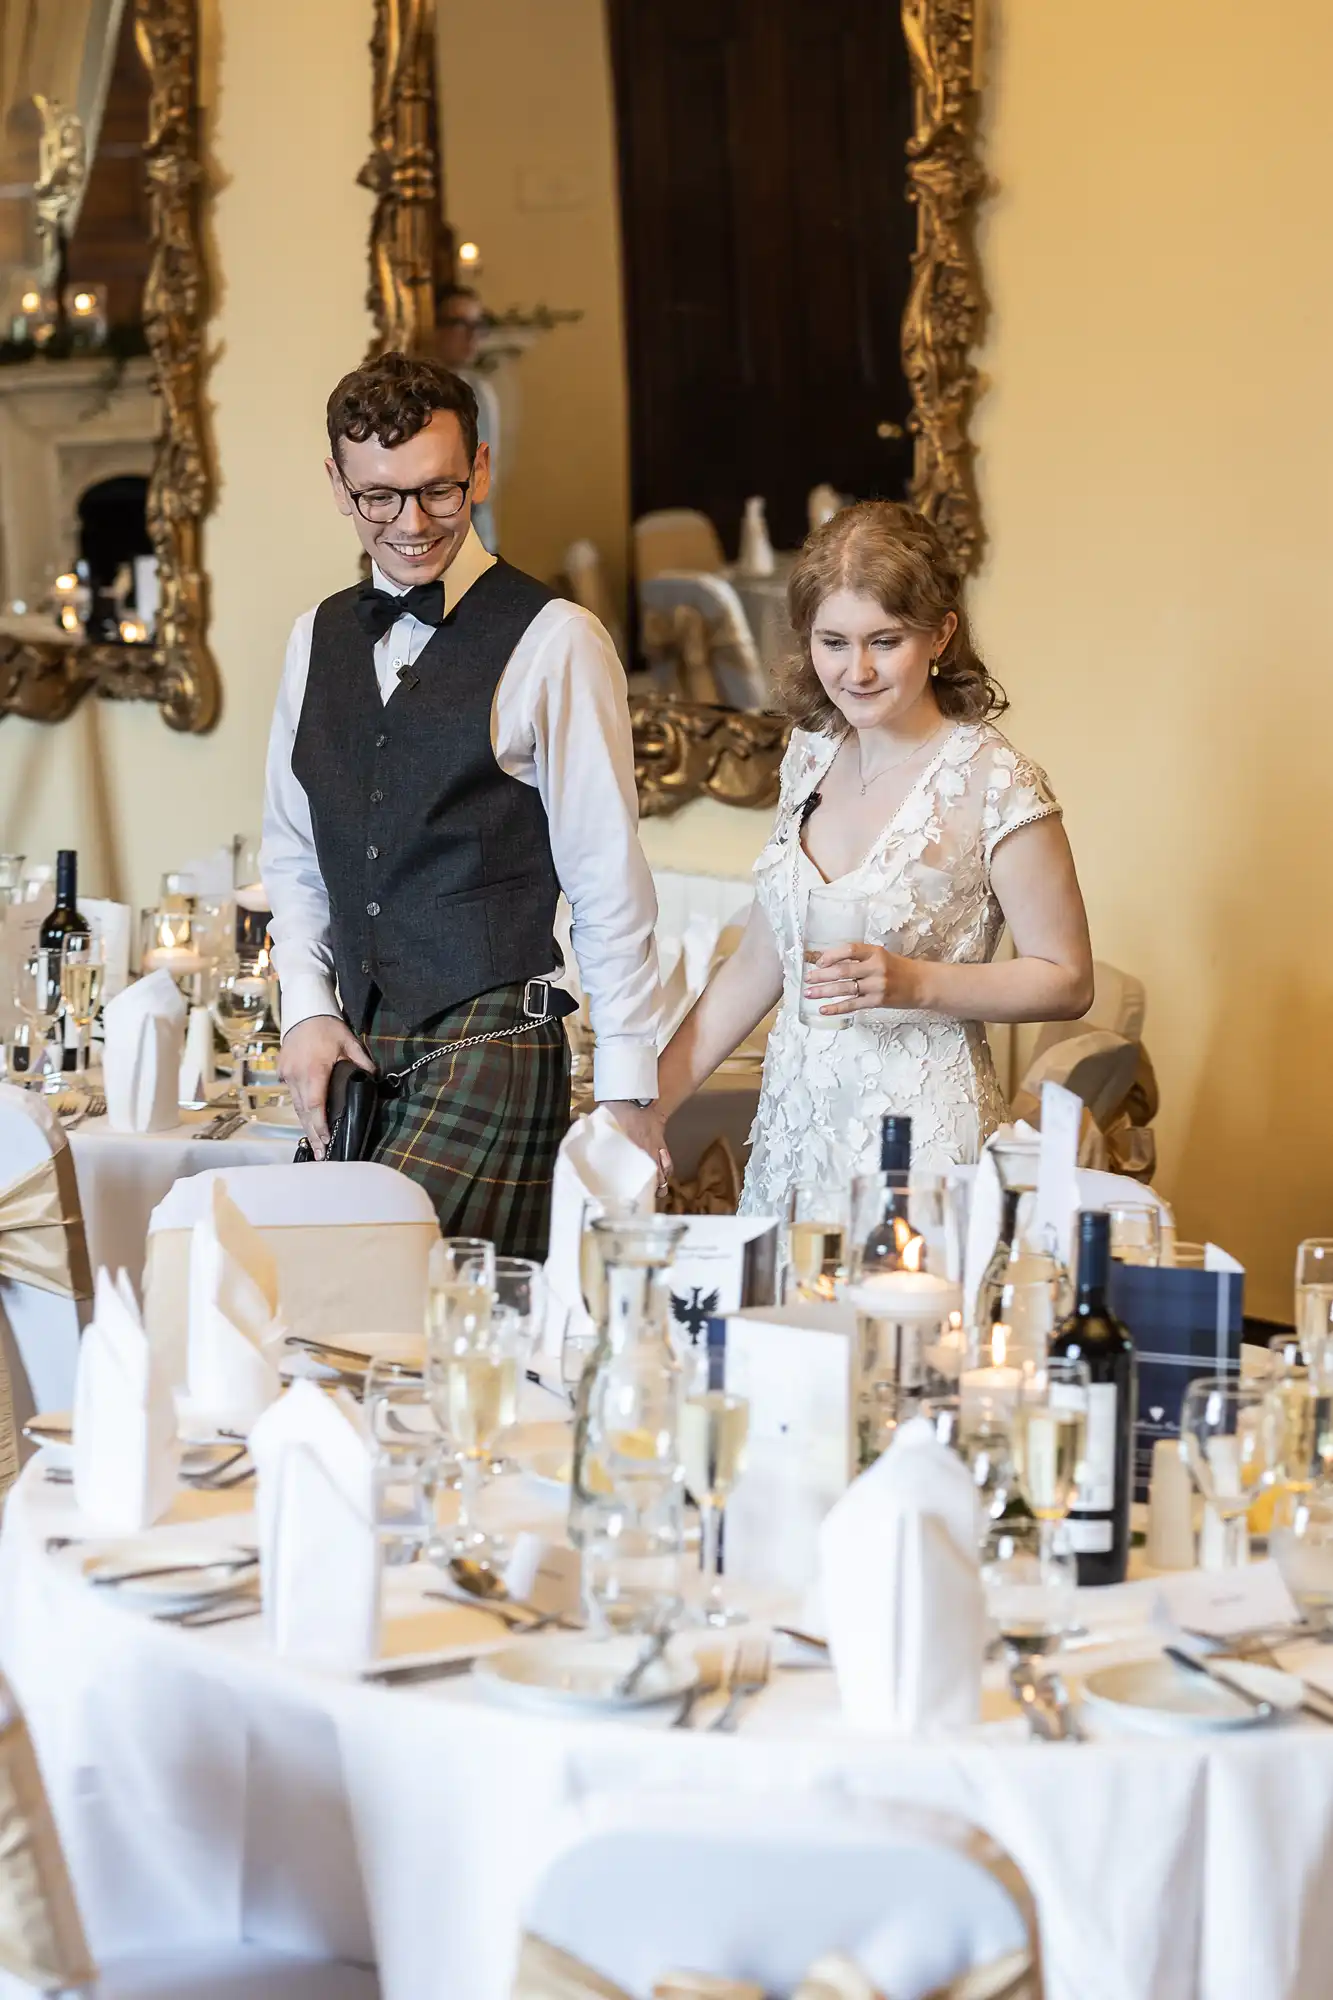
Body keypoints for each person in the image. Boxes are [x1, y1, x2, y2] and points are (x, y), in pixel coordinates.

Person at [261, 350, 661, 1257]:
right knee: (314, 1303)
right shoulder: (311, 638)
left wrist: (630, 1094)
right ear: (338, 483)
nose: (411, 524)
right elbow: (293, 852)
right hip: (357, 1043)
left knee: (384, 1296)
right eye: (380, 496)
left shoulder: (558, 641)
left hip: (493, 1040)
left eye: (440, 492)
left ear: (480, 467)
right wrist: (305, 1009)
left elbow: (607, 880)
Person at [654, 501, 1094, 1211]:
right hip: (795, 1131)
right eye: (832, 642)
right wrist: (648, 1104)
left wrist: (913, 984)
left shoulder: (994, 780)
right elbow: (760, 963)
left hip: (920, 1140)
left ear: (939, 636)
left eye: (883, 641)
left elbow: (1066, 979)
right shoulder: (809, 755)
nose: (854, 671)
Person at [429, 282, 500, 551]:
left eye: (478, 325)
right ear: (436, 328)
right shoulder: (414, 390)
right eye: (460, 325)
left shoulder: (481, 392)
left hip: (475, 533)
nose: (471, 337)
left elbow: (489, 469)